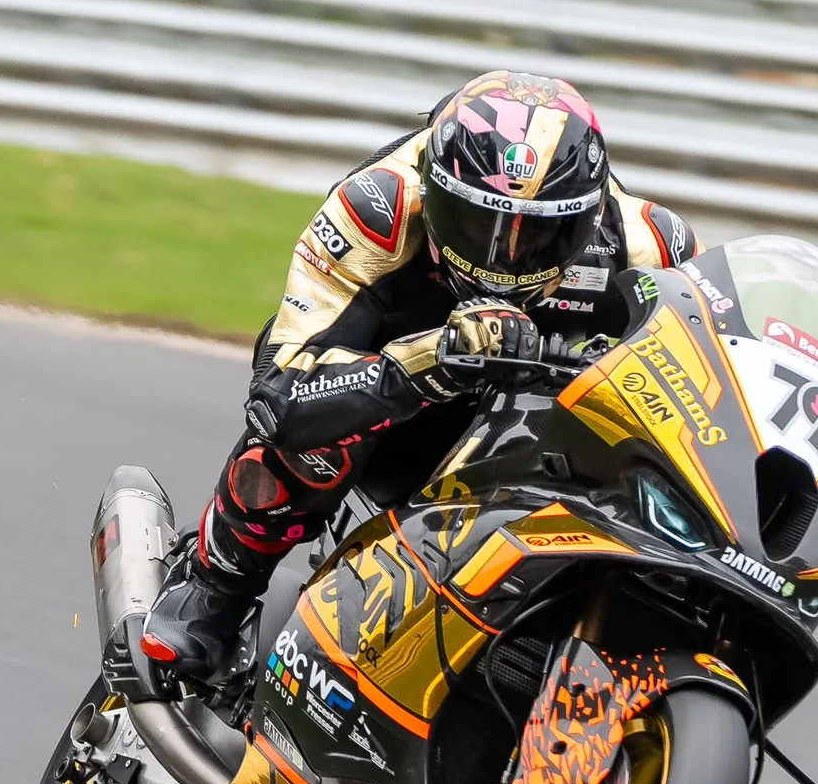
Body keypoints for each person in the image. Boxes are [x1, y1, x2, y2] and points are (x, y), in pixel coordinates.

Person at [137, 69, 700, 681]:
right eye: (477, 224)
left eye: (538, 233)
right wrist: (433, 359)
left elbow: (707, 383)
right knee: (307, 446)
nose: (504, 256)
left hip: (539, 429)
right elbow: (281, 395)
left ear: (585, 218)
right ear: (435, 193)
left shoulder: (650, 244)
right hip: (392, 403)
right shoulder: (378, 208)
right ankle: (215, 587)